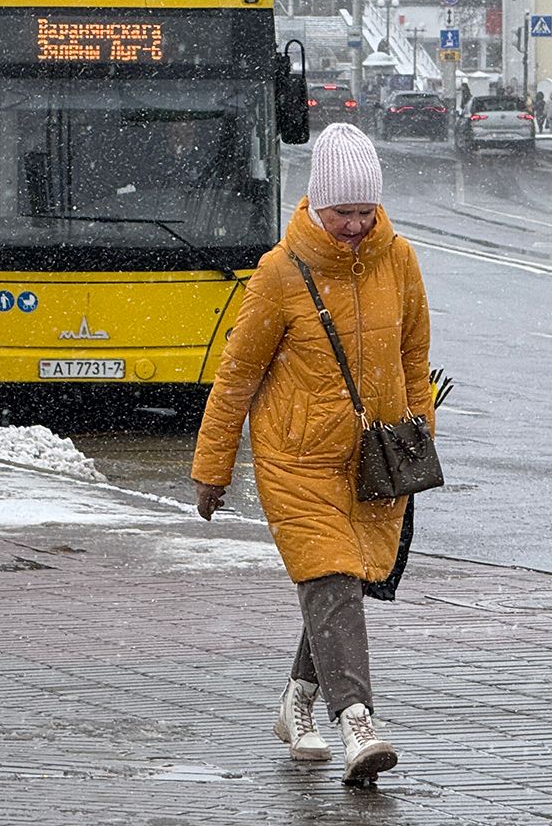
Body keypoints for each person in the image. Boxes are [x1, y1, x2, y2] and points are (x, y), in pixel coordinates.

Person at [191, 123, 433, 784]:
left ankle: (296, 702)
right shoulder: (279, 273)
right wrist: (212, 469)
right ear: (317, 203)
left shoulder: (400, 259)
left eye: (365, 211)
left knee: (345, 583)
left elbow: (414, 356)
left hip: (375, 458)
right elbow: (237, 376)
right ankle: (358, 723)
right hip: (296, 461)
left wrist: (419, 435)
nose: (355, 225)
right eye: (342, 212)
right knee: (330, 577)